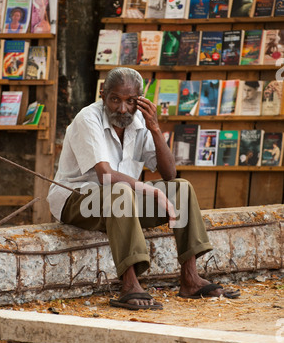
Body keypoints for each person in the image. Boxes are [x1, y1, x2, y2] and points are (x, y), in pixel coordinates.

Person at [47, 68, 239, 310]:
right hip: (77, 201)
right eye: (115, 99)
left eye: (130, 101)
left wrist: (155, 128)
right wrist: (153, 191)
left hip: (120, 203)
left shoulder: (138, 121)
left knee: (181, 188)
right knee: (121, 192)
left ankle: (190, 278)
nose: (123, 108)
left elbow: (169, 174)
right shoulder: (88, 118)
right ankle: (129, 284)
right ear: (103, 95)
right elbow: (106, 176)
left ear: (140, 99)